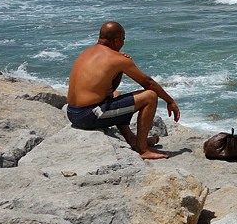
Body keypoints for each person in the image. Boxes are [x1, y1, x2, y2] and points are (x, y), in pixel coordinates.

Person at [66, 21, 180, 160]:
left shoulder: (87, 52)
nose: (123, 43)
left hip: (72, 112)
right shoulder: (117, 59)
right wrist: (170, 101)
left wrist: (119, 71)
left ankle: (133, 140)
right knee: (150, 96)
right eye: (123, 39)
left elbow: (110, 89)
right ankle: (143, 149)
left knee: (116, 95)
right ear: (116, 40)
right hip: (88, 117)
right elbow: (148, 83)